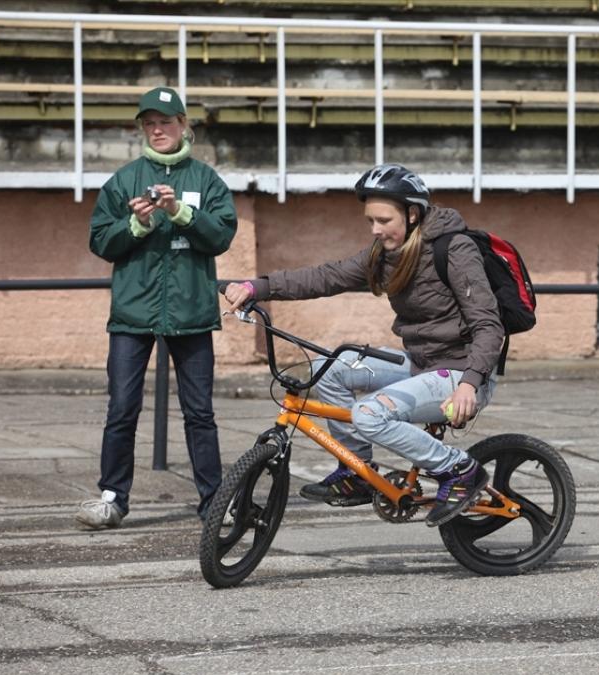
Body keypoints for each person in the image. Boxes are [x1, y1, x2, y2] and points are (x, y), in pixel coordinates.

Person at [223, 163, 502, 527]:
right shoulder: (385, 254)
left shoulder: (455, 249)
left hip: (463, 373)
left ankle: (460, 471)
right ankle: (356, 474)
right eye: (371, 220)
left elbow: (488, 325)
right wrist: (255, 287)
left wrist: (469, 384)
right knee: (333, 368)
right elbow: (327, 277)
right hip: (421, 363)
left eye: (384, 220)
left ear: (413, 213)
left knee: (368, 414)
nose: (375, 229)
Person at [77, 87, 238, 529]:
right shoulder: (124, 179)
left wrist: (180, 213)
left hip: (191, 312)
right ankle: (112, 497)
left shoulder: (206, 180)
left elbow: (222, 235)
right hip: (132, 313)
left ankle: (212, 501)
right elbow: (101, 242)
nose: (157, 129)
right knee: (122, 408)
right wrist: (139, 222)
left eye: (166, 121)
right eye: (149, 123)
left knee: (200, 413)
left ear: (183, 124)